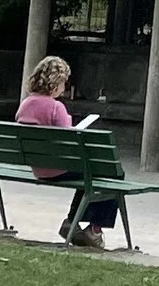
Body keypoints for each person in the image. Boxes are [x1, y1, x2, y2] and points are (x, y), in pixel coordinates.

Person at [18, 55, 122, 252]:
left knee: (92, 174)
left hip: (38, 168)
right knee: (112, 173)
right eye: (64, 82)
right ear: (55, 83)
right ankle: (94, 229)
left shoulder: (25, 104)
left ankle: (72, 222)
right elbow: (71, 144)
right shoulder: (56, 107)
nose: (65, 87)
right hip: (58, 168)